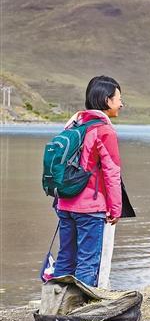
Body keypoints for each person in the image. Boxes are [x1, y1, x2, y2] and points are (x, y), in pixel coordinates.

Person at [54, 76, 123, 286]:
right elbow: (112, 172)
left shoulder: (74, 124)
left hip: (65, 203)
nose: (121, 104)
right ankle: (82, 306)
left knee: (65, 258)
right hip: (90, 207)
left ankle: (55, 302)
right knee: (87, 261)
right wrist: (115, 209)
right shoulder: (104, 130)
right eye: (119, 99)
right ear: (107, 100)